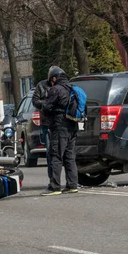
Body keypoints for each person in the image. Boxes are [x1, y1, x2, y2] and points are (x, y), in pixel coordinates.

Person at [41, 66, 79, 196]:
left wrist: (43, 104)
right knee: (69, 156)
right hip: (73, 126)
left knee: (56, 156)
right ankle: (72, 185)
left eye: (51, 80)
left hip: (60, 126)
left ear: (54, 78)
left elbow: (47, 107)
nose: (51, 82)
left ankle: (54, 187)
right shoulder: (72, 88)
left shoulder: (56, 89)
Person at [32, 69, 54, 180]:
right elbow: (35, 101)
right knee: (50, 150)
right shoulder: (41, 85)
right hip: (47, 123)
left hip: (60, 123)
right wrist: (46, 104)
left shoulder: (61, 85)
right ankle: (52, 179)